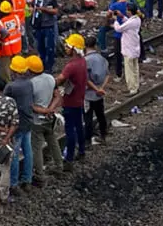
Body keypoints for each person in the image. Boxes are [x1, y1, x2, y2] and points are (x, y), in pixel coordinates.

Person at [2, 56, 37, 192]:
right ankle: (27, 180)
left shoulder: (11, 87)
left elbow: (4, 104)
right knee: (28, 151)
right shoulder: (29, 83)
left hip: (15, 125)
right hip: (28, 121)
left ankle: (14, 183)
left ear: (14, 70)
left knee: (15, 154)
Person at [28, 55, 64, 180]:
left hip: (37, 120)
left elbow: (31, 106)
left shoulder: (31, 84)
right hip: (50, 118)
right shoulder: (50, 78)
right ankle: (59, 166)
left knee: (36, 148)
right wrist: (50, 109)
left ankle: (39, 173)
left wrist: (44, 111)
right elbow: (57, 96)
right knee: (53, 142)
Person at [57, 34, 90, 162]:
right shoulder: (82, 61)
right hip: (79, 99)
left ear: (74, 48)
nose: (65, 48)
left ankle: (69, 157)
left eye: (68, 46)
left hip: (70, 102)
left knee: (70, 130)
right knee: (79, 126)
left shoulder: (71, 66)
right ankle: (81, 150)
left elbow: (60, 79)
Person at [83, 36, 109, 147]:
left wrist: (95, 89)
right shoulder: (102, 58)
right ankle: (103, 135)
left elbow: (86, 79)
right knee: (100, 115)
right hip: (99, 95)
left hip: (88, 94)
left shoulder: (86, 60)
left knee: (87, 118)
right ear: (95, 45)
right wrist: (101, 89)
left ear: (85, 46)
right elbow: (108, 75)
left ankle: (87, 140)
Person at [112, 5, 142, 94]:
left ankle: (132, 89)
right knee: (135, 69)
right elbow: (128, 22)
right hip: (134, 49)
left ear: (130, 12)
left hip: (129, 49)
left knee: (129, 71)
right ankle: (136, 86)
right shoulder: (137, 19)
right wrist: (122, 16)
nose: (126, 12)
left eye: (127, 10)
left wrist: (115, 20)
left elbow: (119, 29)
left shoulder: (131, 22)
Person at [31, 0, 59, 74]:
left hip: (48, 25)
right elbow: (33, 6)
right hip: (38, 25)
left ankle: (50, 66)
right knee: (40, 46)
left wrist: (44, 9)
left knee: (50, 47)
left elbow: (55, 11)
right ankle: (42, 65)